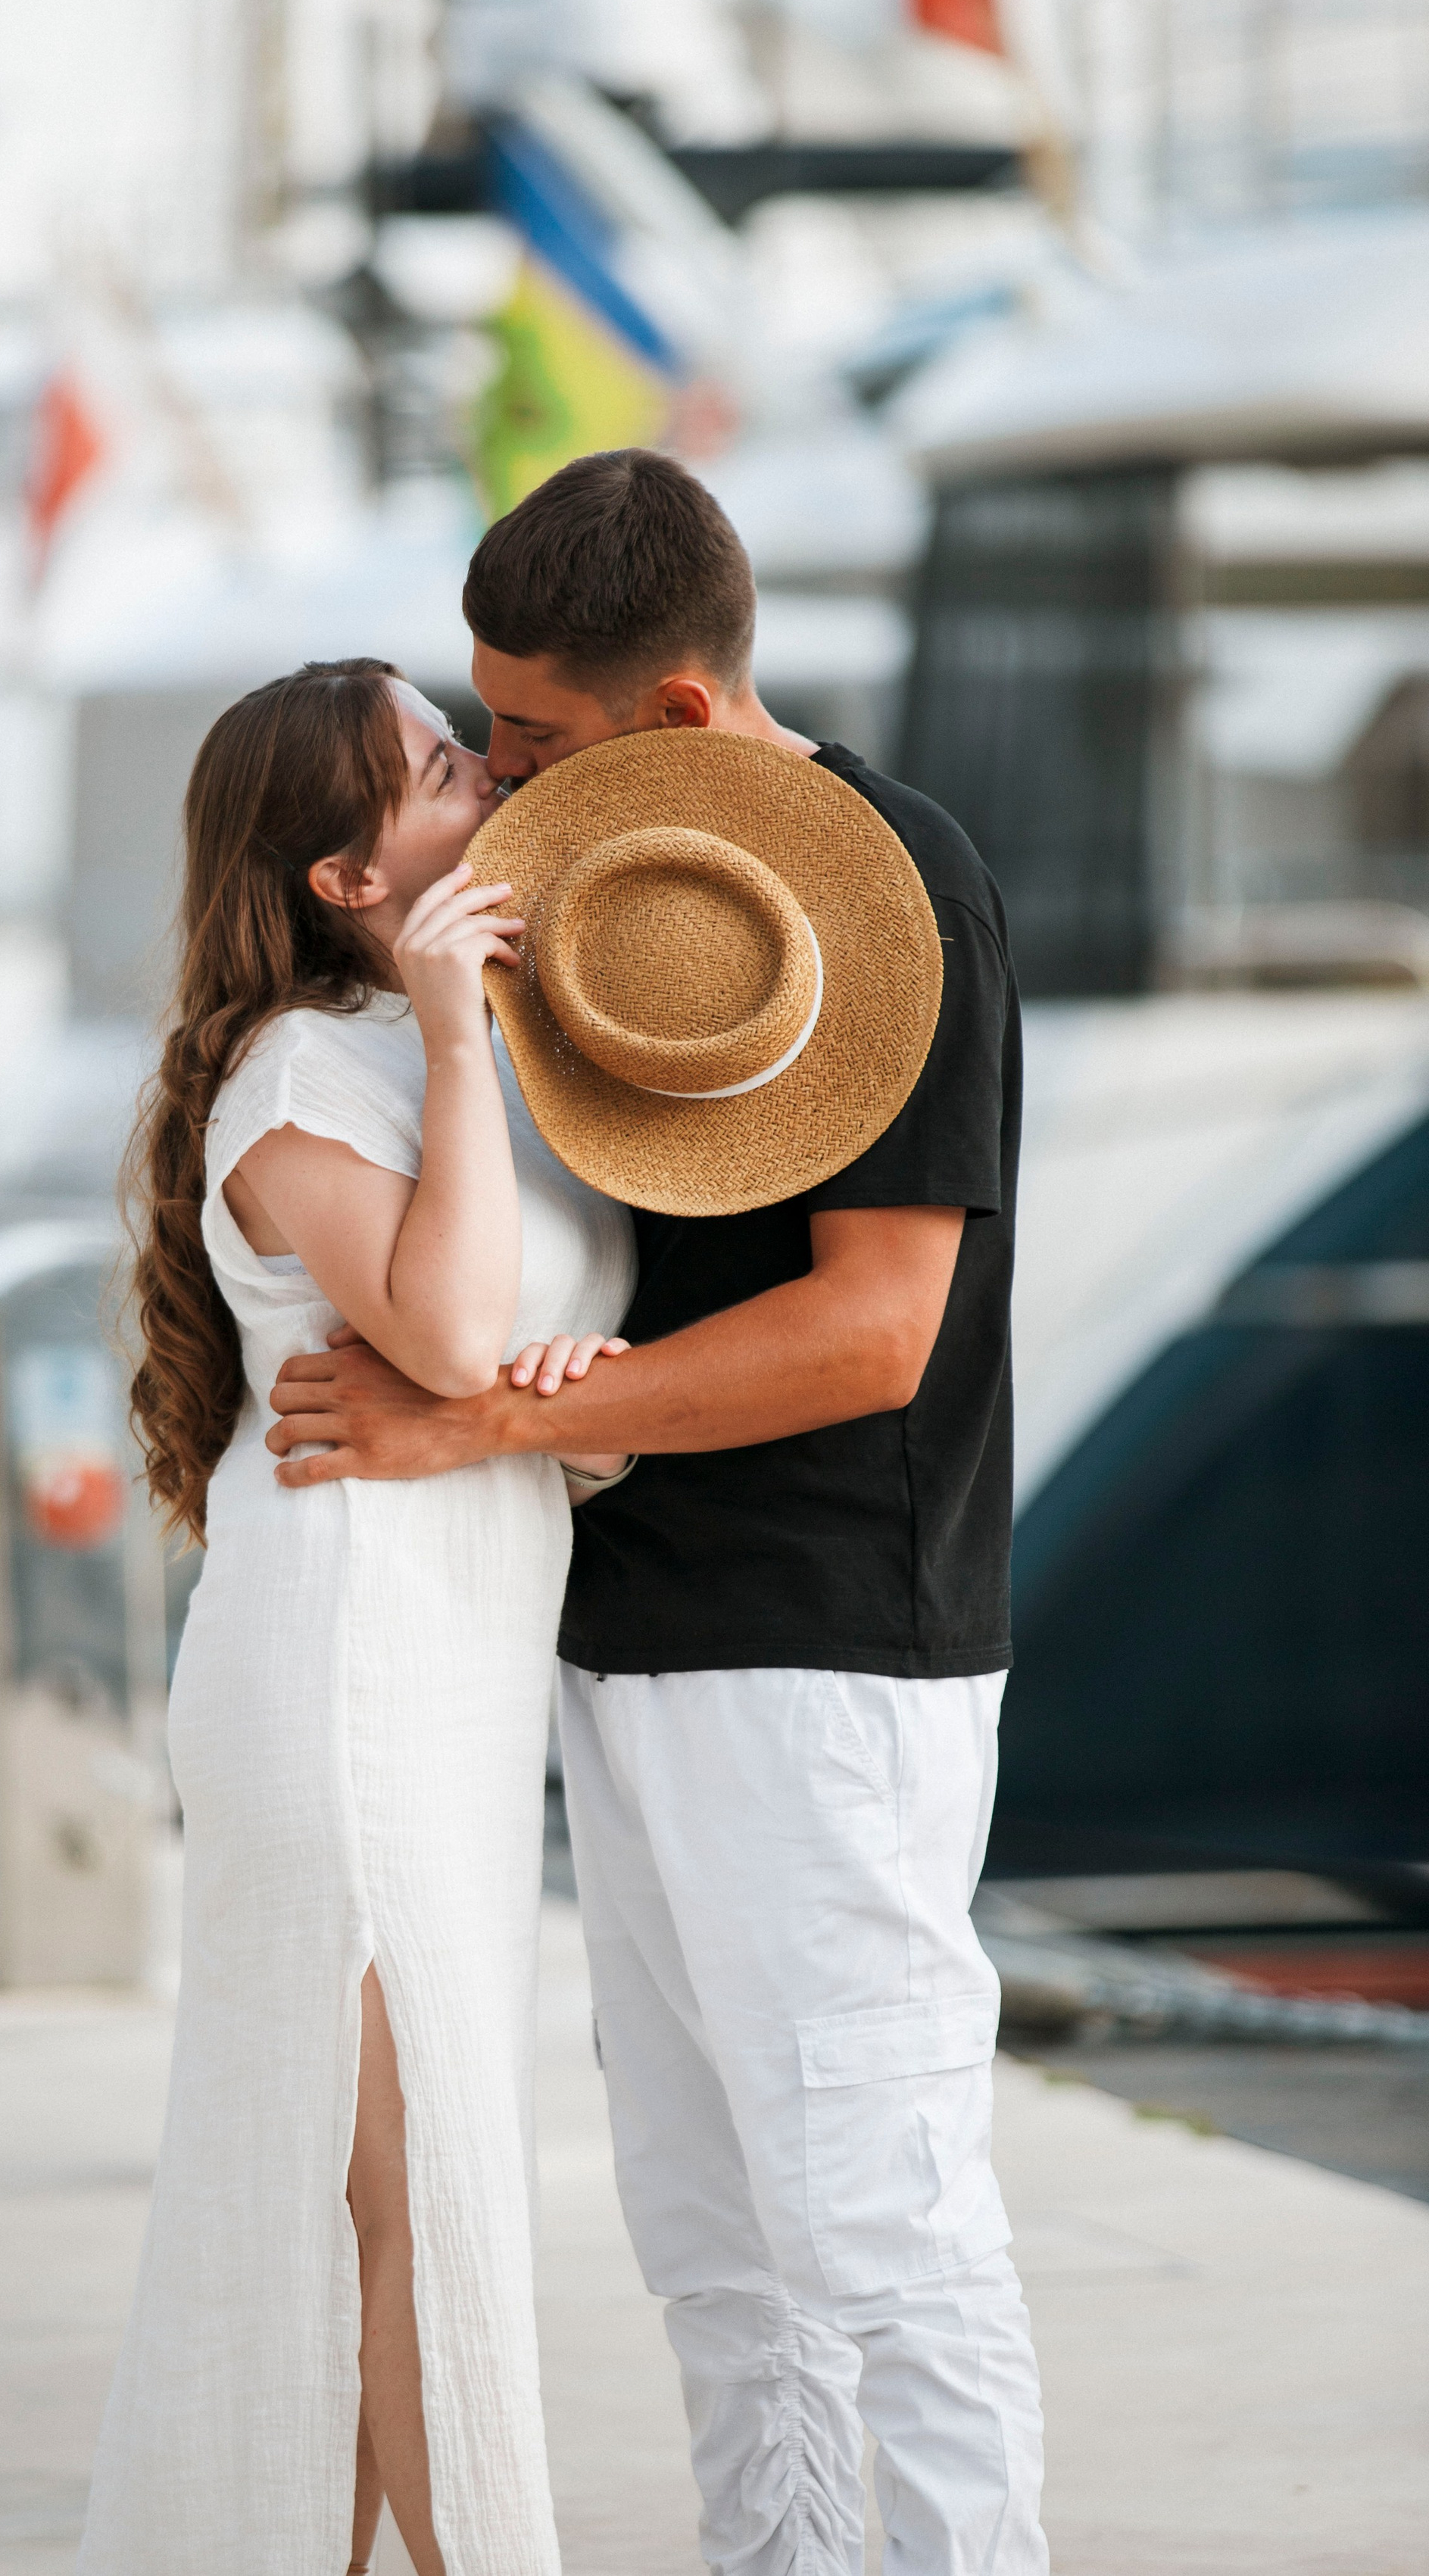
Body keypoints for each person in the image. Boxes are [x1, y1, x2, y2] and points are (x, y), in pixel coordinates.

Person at [267, 452, 1052, 2576]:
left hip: (826, 1641)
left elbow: (874, 1330)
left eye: (528, 731)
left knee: (881, 2216)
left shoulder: (897, 889)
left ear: (679, 711)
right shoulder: (602, 880)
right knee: (711, 2232)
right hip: (632, 1629)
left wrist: (478, 1429)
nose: (501, 768)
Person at [78, 658, 636, 2576]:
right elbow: (454, 1331)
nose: (486, 772)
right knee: (411, 2205)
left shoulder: (440, 1042)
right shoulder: (304, 1074)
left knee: (381, 2208)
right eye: (436, 766)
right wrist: (458, 1035)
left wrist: (577, 1409)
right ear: (344, 876)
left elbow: (519, 1378)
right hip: (343, 1672)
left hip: (448, 1675)